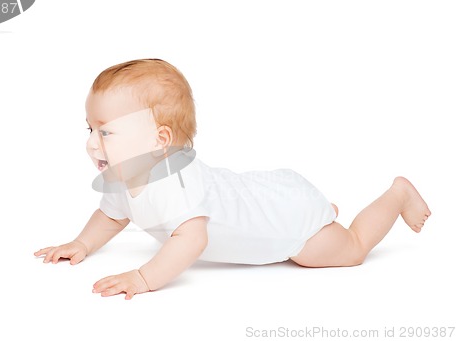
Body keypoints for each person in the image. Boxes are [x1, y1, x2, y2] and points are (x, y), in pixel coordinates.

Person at [34, 59, 431, 300]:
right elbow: (112, 216)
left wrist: (143, 277)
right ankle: (323, 209)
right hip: (266, 196)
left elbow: (192, 239)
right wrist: (81, 243)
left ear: (160, 141)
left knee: (348, 251)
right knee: (272, 204)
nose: (91, 144)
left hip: (287, 226)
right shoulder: (126, 177)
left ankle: (395, 195)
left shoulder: (177, 184)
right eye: (89, 129)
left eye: (106, 132)